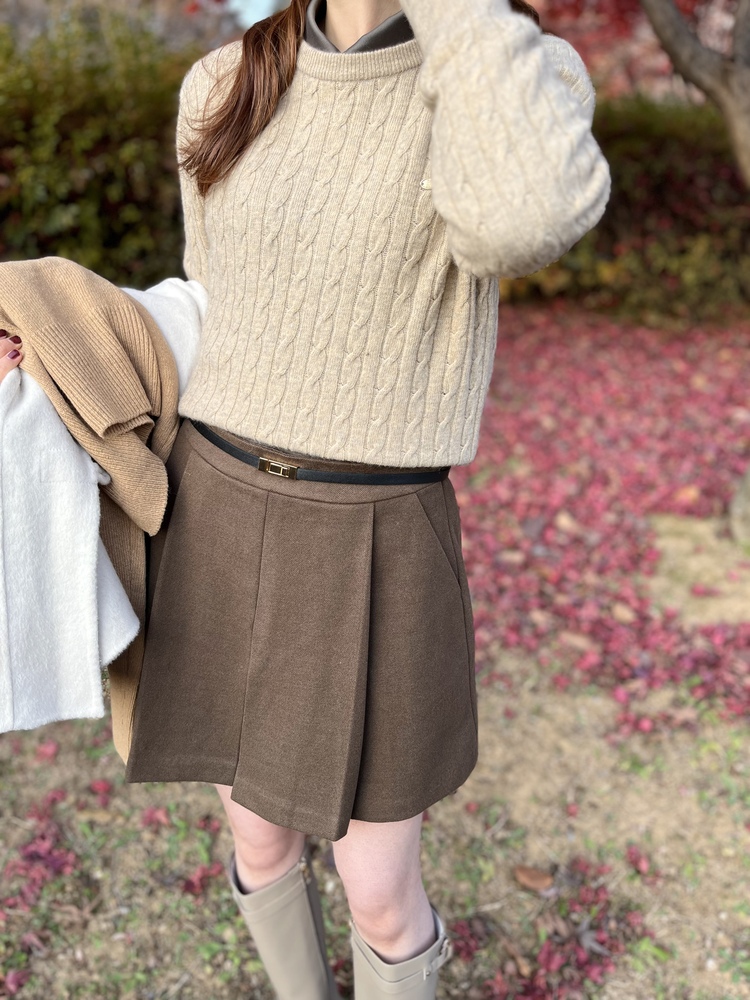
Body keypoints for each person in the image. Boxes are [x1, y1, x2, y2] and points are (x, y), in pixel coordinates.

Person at [3, 0, 610, 996]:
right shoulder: (226, 80)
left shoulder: (517, 73)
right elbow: (214, 305)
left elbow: (523, 218)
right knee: (259, 839)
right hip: (219, 514)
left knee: (380, 892)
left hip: (379, 536)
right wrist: (56, 342)